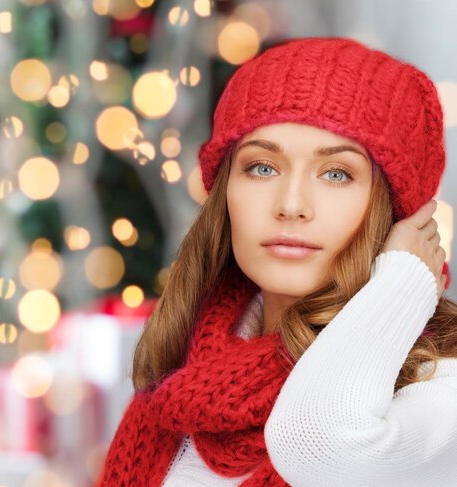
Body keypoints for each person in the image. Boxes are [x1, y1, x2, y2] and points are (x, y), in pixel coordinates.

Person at [96, 37, 457, 486]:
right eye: (262, 167)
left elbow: (322, 448)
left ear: (399, 214)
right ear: (225, 190)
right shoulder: (181, 386)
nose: (291, 204)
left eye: (337, 174)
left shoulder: (440, 390)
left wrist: (401, 283)